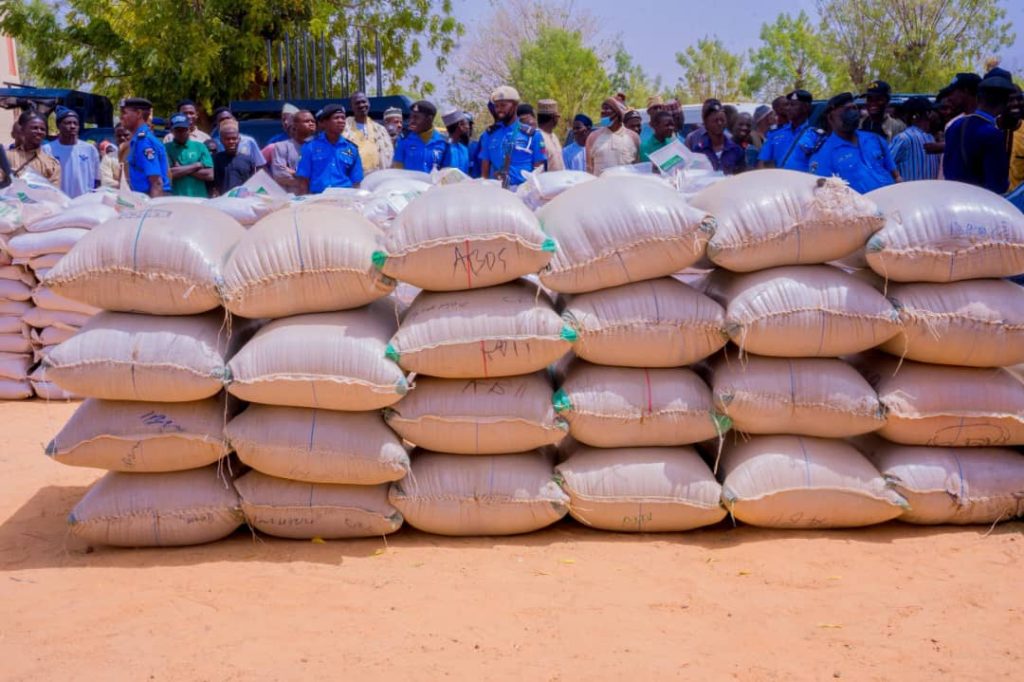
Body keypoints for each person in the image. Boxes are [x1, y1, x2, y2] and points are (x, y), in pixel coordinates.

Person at [810, 92, 900, 194]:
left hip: (891, 200)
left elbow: (895, 175)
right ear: (831, 118)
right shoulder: (823, 154)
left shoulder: (875, 139)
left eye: (854, 108)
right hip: (859, 204)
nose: (852, 113)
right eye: (846, 110)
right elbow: (824, 195)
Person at [944, 67, 1016, 194]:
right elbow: (997, 186)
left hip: (954, 197)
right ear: (1005, 102)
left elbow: (947, 169)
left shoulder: (954, 126)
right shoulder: (992, 134)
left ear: (978, 98)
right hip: (979, 202)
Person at [479, 86, 546, 188]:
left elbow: (539, 169)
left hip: (523, 191)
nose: (499, 110)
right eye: (497, 106)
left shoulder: (532, 135)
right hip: (497, 191)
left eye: (503, 105)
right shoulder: (489, 134)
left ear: (515, 106)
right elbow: (485, 169)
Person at [295, 103, 364, 194]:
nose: (341, 121)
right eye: (336, 118)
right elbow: (303, 180)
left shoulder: (351, 149)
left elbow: (356, 182)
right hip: (318, 198)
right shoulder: (310, 146)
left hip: (344, 197)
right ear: (325, 122)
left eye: (343, 118)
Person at [43, 106, 99, 197]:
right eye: (68, 123)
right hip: (58, 201)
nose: (72, 126)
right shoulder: (47, 150)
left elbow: (97, 180)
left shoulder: (90, 149)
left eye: (75, 123)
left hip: (84, 201)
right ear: (58, 126)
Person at [118, 97, 170, 196]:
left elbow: (156, 182)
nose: (121, 117)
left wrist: (152, 206)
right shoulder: (137, 140)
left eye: (124, 113)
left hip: (152, 197)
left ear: (138, 113)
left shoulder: (144, 141)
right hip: (142, 196)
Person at [758, 89, 814, 170]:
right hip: (777, 177)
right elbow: (762, 163)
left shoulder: (816, 136)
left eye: (793, 105)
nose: (788, 108)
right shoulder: (775, 133)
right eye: (788, 105)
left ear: (806, 107)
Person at [687, 99, 746, 174]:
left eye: (722, 120)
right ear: (706, 124)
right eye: (715, 121)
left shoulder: (736, 150)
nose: (719, 123)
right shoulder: (698, 150)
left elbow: (742, 176)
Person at [888, 97, 939, 182]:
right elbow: (885, 163)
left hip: (922, 189)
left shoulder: (930, 137)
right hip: (916, 189)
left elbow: (884, 163)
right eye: (929, 113)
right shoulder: (905, 138)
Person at [586, 96, 639, 175]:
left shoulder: (633, 137)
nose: (603, 112)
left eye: (607, 109)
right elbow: (589, 169)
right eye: (602, 110)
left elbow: (637, 167)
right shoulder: (593, 137)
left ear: (618, 114)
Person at [164, 113, 213, 197]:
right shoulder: (165, 148)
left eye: (184, 129)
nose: (181, 133)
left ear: (189, 129)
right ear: (171, 131)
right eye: (178, 130)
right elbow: (168, 174)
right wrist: (196, 166)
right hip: (175, 198)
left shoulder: (200, 147)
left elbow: (209, 175)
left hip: (198, 198)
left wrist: (180, 168)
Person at [344, 92, 394, 173]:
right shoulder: (344, 129)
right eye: (357, 103)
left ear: (369, 103)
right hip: (354, 176)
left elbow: (389, 154)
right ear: (351, 107)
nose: (361, 105)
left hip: (377, 175)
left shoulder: (380, 130)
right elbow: (343, 153)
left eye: (364, 102)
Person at [7, 111, 61, 186]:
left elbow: (53, 190)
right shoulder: (7, 157)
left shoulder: (52, 165)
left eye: (42, 129)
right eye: (35, 128)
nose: (39, 131)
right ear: (23, 130)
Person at [393, 100, 447, 173]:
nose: (412, 121)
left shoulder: (442, 142)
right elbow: (397, 169)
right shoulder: (404, 140)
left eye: (416, 117)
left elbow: (446, 171)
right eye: (411, 117)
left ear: (429, 119)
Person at [271, 109, 316, 192]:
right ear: (295, 125)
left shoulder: (321, 147)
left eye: (313, 121)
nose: (311, 123)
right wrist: (307, 180)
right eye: (306, 121)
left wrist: (294, 172)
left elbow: (324, 174)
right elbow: (279, 175)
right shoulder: (281, 147)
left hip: (317, 196)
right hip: (291, 197)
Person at [212, 120, 256, 195]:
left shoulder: (248, 160)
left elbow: (253, 184)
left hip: (243, 199)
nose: (231, 141)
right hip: (222, 199)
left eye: (234, 138)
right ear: (221, 140)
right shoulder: (215, 159)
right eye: (227, 139)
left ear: (239, 139)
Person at [441, 108, 471, 174]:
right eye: (466, 123)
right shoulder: (443, 148)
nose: (468, 127)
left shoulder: (464, 149)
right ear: (460, 125)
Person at [537, 99, 564, 171]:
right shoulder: (539, 137)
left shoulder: (554, 136)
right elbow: (539, 165)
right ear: (553, 118)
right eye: (557, 117)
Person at [99, 124, 129, 188]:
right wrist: (126, 186)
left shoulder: (139, 156)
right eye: (119, 136)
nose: (122, 138)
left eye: (126, 135)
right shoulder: (107, 158)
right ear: (115, 137)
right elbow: (106, 182)